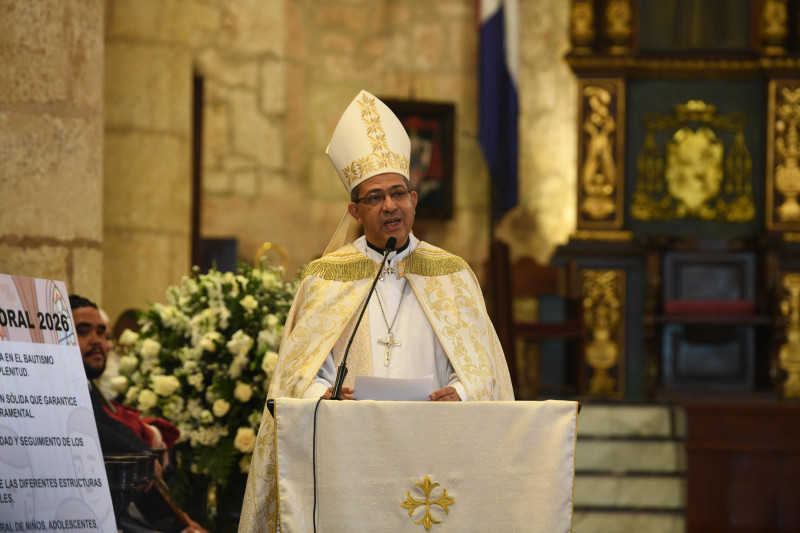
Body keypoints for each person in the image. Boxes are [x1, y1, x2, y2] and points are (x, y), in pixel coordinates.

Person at [238, 90, 514, 533]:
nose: (390, 206)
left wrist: (461, 392)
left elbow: (486, 373)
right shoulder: (326, 278)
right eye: (375, 197)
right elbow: (298, 379)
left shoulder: (453, 275)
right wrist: (322, 398)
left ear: (414, 200)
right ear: (354, 210)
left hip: (434, 450)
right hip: (351, 454)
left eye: (398, 193)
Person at [70, 294, 207, 533]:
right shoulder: (60, 386)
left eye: (102, 333)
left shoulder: (86, 385)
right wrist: (139, 455)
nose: (97, 341)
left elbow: (107, 423)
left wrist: (145, 455)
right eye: (83, 332)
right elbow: (91, 427)